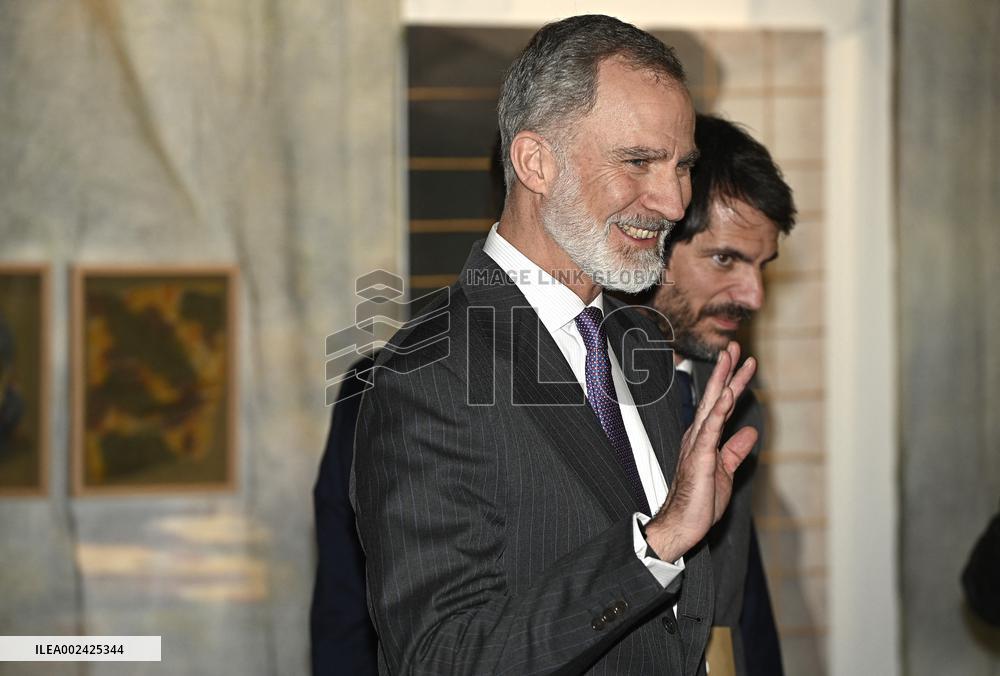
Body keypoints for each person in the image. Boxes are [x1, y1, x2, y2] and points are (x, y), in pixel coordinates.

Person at [352, 15, 760, 675]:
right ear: (536, 163)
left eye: (682, 166)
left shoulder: (641, 344)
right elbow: (441, 658)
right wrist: (654, 547)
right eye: (638, 162)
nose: (672, 201)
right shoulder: (426, 373)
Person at [643, 114, 797, 675]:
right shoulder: (582, 395)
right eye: (725, 259)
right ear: (651, 241)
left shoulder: (736, 394)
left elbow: (739, 589)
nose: (754, 296)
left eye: (762, 266)